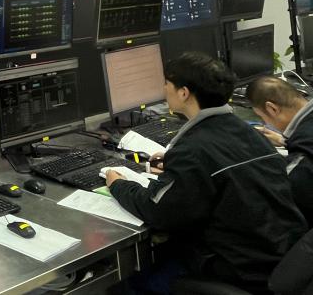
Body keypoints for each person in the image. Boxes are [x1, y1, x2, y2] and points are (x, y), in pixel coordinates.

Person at [105, 52, 306, 293]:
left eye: (167, 83)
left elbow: (158, 210)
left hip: (241, 271)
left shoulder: (192, 150)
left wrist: (118, 184)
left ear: (183, 93)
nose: (163, 89)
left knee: (129, 284)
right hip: (282, 260)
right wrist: (178, 167)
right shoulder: (250, 134)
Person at [246, 75, 313, 225]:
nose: (265, 122)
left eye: (262, 117)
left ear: (272, 108)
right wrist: (285, 141)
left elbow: (283, 192)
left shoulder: (303, 158)